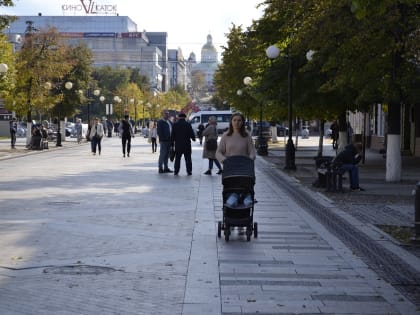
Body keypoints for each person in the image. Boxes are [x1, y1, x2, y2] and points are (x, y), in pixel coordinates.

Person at [216, 112, 256, 207]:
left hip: (244, 170)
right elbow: (218, 152)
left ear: (242, 122)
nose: (237, 122)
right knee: (230, 189)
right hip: (230, 169)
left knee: (246, 187)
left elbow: (252, 152)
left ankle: (245, 197)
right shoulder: (226, 136)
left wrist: (250, 160)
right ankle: (233, 197)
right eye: (234, 120)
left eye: (239, 120)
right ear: (231, 122)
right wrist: (224, 160)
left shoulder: (247, 136)